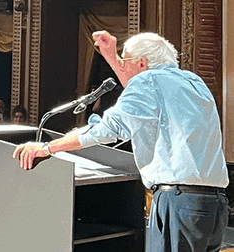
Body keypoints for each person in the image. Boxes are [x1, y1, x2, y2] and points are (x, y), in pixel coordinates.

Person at [13, 31, 228, 252]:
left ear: (142, 63)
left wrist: (48, 148)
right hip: (214, 204)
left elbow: (108, 128)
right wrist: (112, 56)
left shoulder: (147, 82)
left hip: (178, 202)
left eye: (125, 62)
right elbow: (137, 87)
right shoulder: (193, 81)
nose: (122, 68)